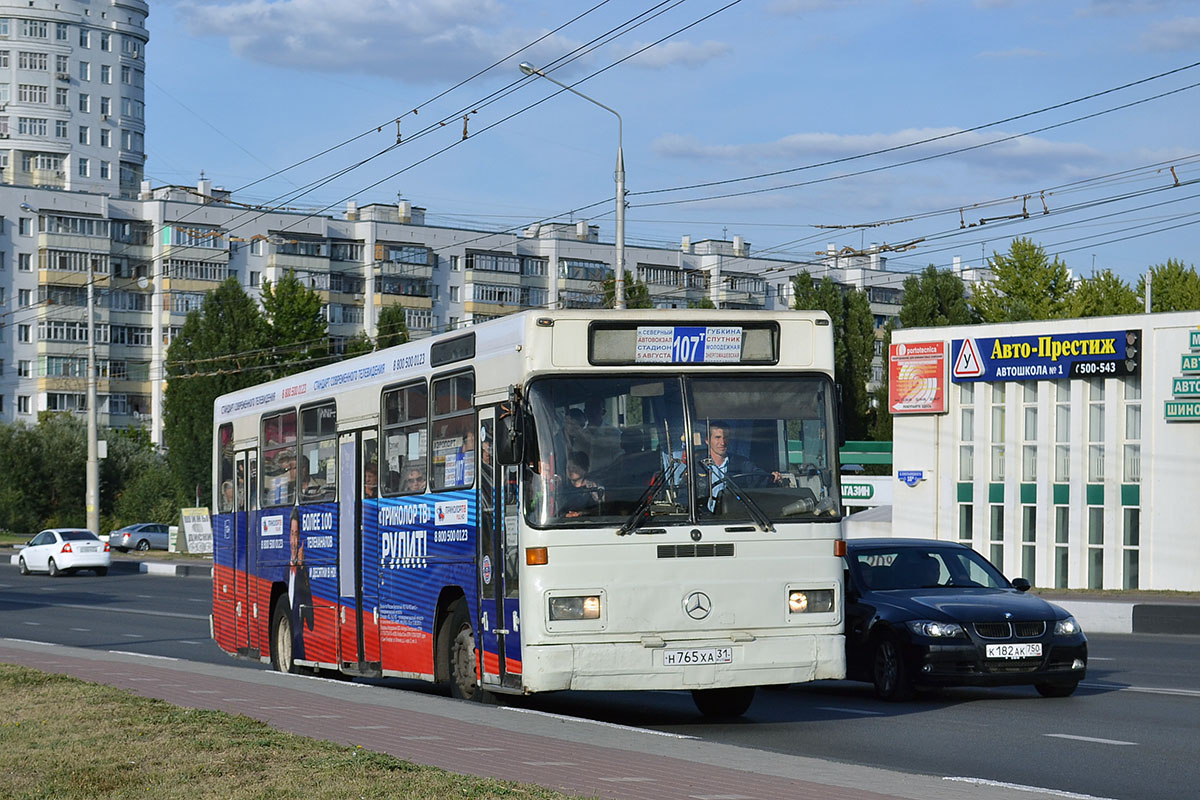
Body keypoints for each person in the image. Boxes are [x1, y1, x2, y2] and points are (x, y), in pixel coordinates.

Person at [698, 420, 780, 512]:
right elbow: (685, 497)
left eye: (726, 438)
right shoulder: (697, 466)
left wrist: (771, 477)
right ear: (707, 440)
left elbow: (758, 477)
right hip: (704, 521)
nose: (722, 442)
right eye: (718, 437)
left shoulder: (741, 463)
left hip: (735, 516)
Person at [287, 506, 314, 659]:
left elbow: (310, 620)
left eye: (297, 535)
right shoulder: (283, 571)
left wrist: (302, 568)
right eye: (292, 534)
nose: (294, 541)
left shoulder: (304, 570)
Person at [559, 451, 602, 518]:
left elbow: (599, 508)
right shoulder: (562, 488)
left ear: (584, 469)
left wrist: (581, 514)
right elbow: (557, 509)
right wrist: (566, 515)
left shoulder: (593, 487)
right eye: (568, 467)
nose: (570, 470)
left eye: (574, 467)